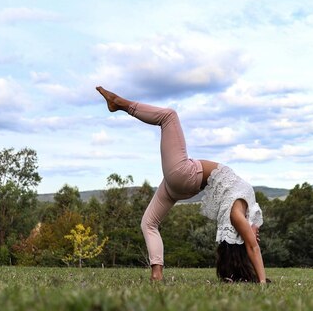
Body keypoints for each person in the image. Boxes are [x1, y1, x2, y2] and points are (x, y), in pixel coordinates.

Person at [96, 86, 268, 283]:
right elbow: (252, 244)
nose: (258, 236)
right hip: (180, 186)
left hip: (185, 174)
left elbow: (252, 247)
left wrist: (262, 282)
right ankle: (156, 274)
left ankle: (119, 103)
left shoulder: (237, 213)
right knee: (149, 223)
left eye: (253, 235)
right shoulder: (246, 207)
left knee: (169, 116)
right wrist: (252, 236)